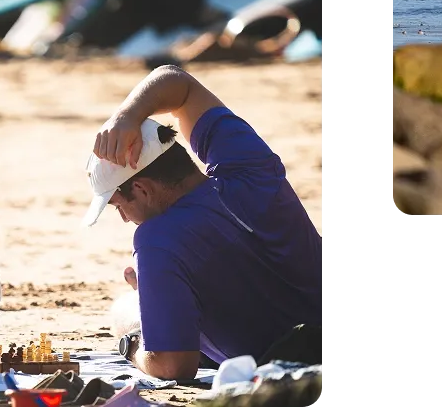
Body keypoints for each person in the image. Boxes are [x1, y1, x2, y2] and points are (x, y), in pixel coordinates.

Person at [87, 63, 323, 378]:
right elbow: (180, 84)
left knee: (124, 308)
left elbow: (175, 366)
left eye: (118, 206)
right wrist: (128, 115)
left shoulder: (158, 240)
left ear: (142, 189)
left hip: (288, 368)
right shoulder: (248, 166)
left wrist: (130, 334)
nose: (124, 218)